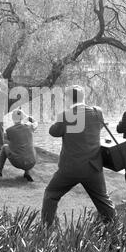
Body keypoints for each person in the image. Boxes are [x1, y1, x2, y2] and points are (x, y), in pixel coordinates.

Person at [41, 85, 116, 227]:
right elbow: (97, 128)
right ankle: (115, 235)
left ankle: (46, 229)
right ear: (83, 98)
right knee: (103, 202)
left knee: (51, 194)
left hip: (70, 168)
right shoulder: (97, 112)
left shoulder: (66, 115)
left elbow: (53, 132)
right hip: (93, 167)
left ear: (68, 98)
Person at [0, 108, 38, 182]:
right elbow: (36, 123)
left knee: (5, 147)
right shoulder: (30, 127)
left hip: (18, 162)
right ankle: (27, 172)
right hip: (32, 162)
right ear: (22, 117)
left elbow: (8, 141)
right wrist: (29, 118)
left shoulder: (9, 130)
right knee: (28, 148)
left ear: (12, 118)